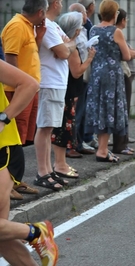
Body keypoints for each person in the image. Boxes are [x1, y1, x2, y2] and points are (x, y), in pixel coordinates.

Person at [0, 59, 58, 266]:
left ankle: (36, 232)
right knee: (3, 239)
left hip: (2, 150)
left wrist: (3, 118)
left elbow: (29, 84)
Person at [1, 0, 49, 199]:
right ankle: (7, 184)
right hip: (17, 92)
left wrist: (39, 38)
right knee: (14, 139)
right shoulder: (17, 25)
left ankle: (14, 181)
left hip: (27, 90)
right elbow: (10, 57)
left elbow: (28, 54)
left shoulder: (28, 27)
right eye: (45, 12)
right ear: (40, 12)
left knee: (21, 138)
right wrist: (18, 86)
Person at [34, 0, 77, 191]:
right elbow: (63, 51)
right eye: (58, 1)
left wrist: (69, 45)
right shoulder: (48, 27)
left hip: (57, 82)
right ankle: (42, 172)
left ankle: (49, 170)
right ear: (53, 4)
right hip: (49, 81)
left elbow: (67, 47)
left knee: (49, 128)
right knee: (44, 128)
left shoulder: (54, 25)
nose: (61, 4)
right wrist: (70, 44)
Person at [85, 0, 131, 162]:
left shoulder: (94, 30)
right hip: (112, 74)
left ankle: (102, 148)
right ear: (115, 14)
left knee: (100, 109)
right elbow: (126, 56)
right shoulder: (116, 32)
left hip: (96, 73)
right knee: (110, 109)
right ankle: (103, 151)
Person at [52, 11, 96, 179]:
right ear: (76, 30)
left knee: (62, 127)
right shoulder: (71, 47)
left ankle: (61, 162)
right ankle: (60, 163)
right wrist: (90, 58)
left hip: (65, 90)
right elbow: (77, 72)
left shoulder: (62, 43)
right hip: (69, 92)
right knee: (64, 128)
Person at [113, 8, 135, 155]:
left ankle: (123, 140)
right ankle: (120, 143)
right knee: (123, 108)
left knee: (123, 109)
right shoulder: (117, 33)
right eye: (125, 18)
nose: (127, 21)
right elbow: (128, 54)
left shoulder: (115, 33)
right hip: (123, 74)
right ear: (121, 20)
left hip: (123, 74)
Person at [76, 0, 99, 153]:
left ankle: (83, 138)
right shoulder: (78, 32)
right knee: (78, 111)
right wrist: (90, 57)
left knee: (83, 109)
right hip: (79, 74)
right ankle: (76, 142)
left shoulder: (84, 29)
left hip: (85, 74)